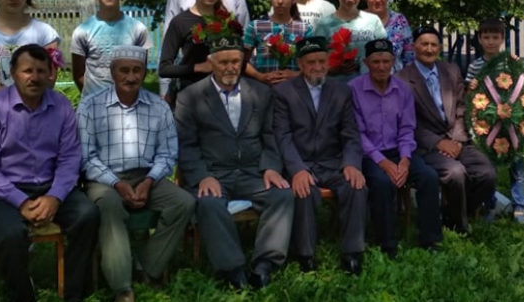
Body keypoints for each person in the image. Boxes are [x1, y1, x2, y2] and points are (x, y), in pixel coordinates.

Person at [0, 44, 99, 302]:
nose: (34, 77)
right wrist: (21, 202)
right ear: (13, 73)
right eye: (27, 71)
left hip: (50, 185)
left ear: (50, 73)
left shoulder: (61, 106)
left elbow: (70, 158)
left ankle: (73, 292)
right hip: (2, 192)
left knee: (87, 215)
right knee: (10, 235)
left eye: (41, 71)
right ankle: (22, 294)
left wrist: (55, 197)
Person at [77, 46, 195, 302]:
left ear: (144, 72)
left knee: (183, 202)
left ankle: (147, 266)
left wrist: (149, 181)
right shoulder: (90, 106)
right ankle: (122, 287)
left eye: (137, 70)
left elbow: (167, 153)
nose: (130, 77)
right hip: (104, 180)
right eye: (124, 70)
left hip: (147, 176)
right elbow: (87, 157)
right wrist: (117, 184)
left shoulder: (158, 106)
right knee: (109, 206)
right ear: (112, 72)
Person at [176, 36, 293, 290]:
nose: (230, 68)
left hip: (253, 172)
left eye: (236, 62)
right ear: (211, 63)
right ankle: (233, 269)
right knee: (209, 203)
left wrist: (271, 167)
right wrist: (202, 176)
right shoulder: (190, 96)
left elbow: (270, 135)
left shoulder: (260, 92)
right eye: (223, 62)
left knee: (282, 195)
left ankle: (264, 264)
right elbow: (186, 145)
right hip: (214, 174)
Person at [274, 36, 368, 275]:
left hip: (332, 161)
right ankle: (306, 255)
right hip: (301, 161)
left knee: (356, 186)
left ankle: (352, 253)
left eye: (322, 61)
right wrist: (297, 169)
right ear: (300, 64)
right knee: (304, 190)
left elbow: (351, 133)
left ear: (328, 61)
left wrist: (351, 163)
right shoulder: (284, 92)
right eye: (311, 62)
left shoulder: (341, 91)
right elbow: (282, 136)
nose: (317, 67)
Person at [396, 27, 497, 235]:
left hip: (457, 139)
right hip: (425, 145)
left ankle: (451, 214)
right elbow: (408, 122)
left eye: (433, 45)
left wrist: (457, 140)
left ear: (439, 48)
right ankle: (460, 226)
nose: (429, 49)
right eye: (424, 44)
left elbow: (462, 108)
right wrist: (438, 143)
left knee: (487, 173)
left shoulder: (451, 71)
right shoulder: (402, 79)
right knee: (455, 172)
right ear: (414, 47)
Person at [349, 39, 442, 258]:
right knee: (382, 182)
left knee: (428, 177)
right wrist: (383, 163)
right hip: (369, 155)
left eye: (386, 61)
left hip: (399, 151)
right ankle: (387, 243)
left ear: (393, 62)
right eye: (376, 62)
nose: (381, 67)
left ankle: (430, 239)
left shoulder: (403, 90)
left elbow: (407, 129)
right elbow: (357, 134)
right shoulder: (353, 89)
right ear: (366, 63)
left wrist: (405, 160)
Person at [465, 18, 524, 224]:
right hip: (488, 125)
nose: (491, 41)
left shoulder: (511, 63)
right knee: (489, 166)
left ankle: (519, 208)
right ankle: (489, 206)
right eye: (486, 37)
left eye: (495, 37)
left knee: (516, 166)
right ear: (480, 39)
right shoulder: (475, 66)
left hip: (512, 123)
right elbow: (470, 96)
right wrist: (471, 88)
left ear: (502, 39)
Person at [159, 0, 242, 107]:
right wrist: (199, 67)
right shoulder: (181, 22)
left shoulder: (227, 21)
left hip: (224, 95)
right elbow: (164, 68)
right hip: (192, 96)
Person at [71, 0, 152, 98]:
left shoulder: (138, 29)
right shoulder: (82, 31)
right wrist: (93, 98)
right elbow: (78, 74)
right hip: (95, 103)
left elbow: (142, 69)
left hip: (128, 102)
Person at [313, 0, 386, 81]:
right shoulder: (324, 25)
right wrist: (334, 68)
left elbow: (384, 55)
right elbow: (315, 63)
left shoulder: (373, 21)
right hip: (336, 87)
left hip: (369, 85)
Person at [243, 0, 313, 85]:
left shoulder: (305, 29)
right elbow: (242, 61)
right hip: (263, 89)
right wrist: (260, 76)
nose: (280, 1)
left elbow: (312, 63)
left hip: (294, 89)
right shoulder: (255, 26)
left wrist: (295, 75)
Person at [363, 0, 414, 73]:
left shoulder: (400, 20)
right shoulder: (357, 20)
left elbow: (409, 55)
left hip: (396, 79)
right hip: (363, 80)